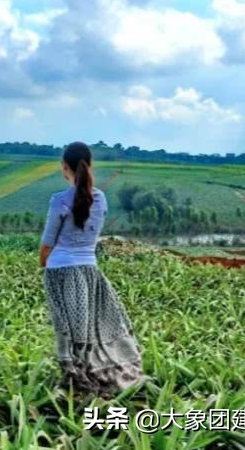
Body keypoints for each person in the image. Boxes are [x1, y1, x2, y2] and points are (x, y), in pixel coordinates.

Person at [39, 141, 145, 397]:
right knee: (96, 324)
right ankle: (104, 368)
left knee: (69, 326)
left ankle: (77, 378)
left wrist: (44, 263)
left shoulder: (59, 200)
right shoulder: (101, 198)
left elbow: (47, 243)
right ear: (90, 165)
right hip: (90, 269)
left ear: (65, 167)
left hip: (62, 271)